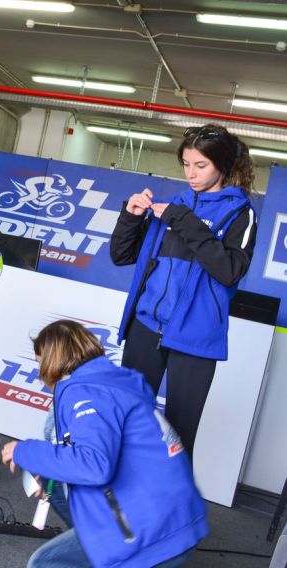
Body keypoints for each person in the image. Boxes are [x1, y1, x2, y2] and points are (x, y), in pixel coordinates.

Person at [1, 320, 208, 568]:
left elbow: (94, 466)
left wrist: (22, 450)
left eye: (39, 363)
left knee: (46, 563)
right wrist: (43, 467)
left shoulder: (86, 393)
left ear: (50, 359)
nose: (39, 373)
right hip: (176, 515)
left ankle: (117, 552)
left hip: (155, 531)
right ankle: (102, 551)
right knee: (50, 480)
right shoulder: (111, 381)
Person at [110, 123, 257, 457]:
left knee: (177, 440)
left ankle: (171, 508)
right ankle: (120, 505)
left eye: (200, 165)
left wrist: (184, 221)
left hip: (195, 339)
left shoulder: (239, 213)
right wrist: (131, 218)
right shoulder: (174, 204)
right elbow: (122, 256)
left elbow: (230, 271)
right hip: (145, 328)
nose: (191, 173)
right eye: (187, 164)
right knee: (128, 423)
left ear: (222, 165)